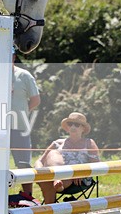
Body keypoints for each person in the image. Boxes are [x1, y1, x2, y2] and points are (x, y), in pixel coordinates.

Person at [35, 112, 100, 204]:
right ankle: (57, 181)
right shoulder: (57, 143)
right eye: (70, 124)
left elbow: (97, 165)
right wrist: (40, 173)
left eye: (77, 124)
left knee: (48, 181)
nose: (73, 127)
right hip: (54, 176)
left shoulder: (89, 143)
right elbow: (40, 161)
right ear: (67, 128)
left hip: (79, 180)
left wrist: (80, 171)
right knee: (52, 154)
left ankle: (49, 211)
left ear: (83, 128)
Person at [9, 50, 40, 198]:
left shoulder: (25, 76)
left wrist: (22, 113)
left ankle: (28, 197)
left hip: (20, 127)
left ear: (14, 57)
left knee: (23, 163)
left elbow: (35, 100)